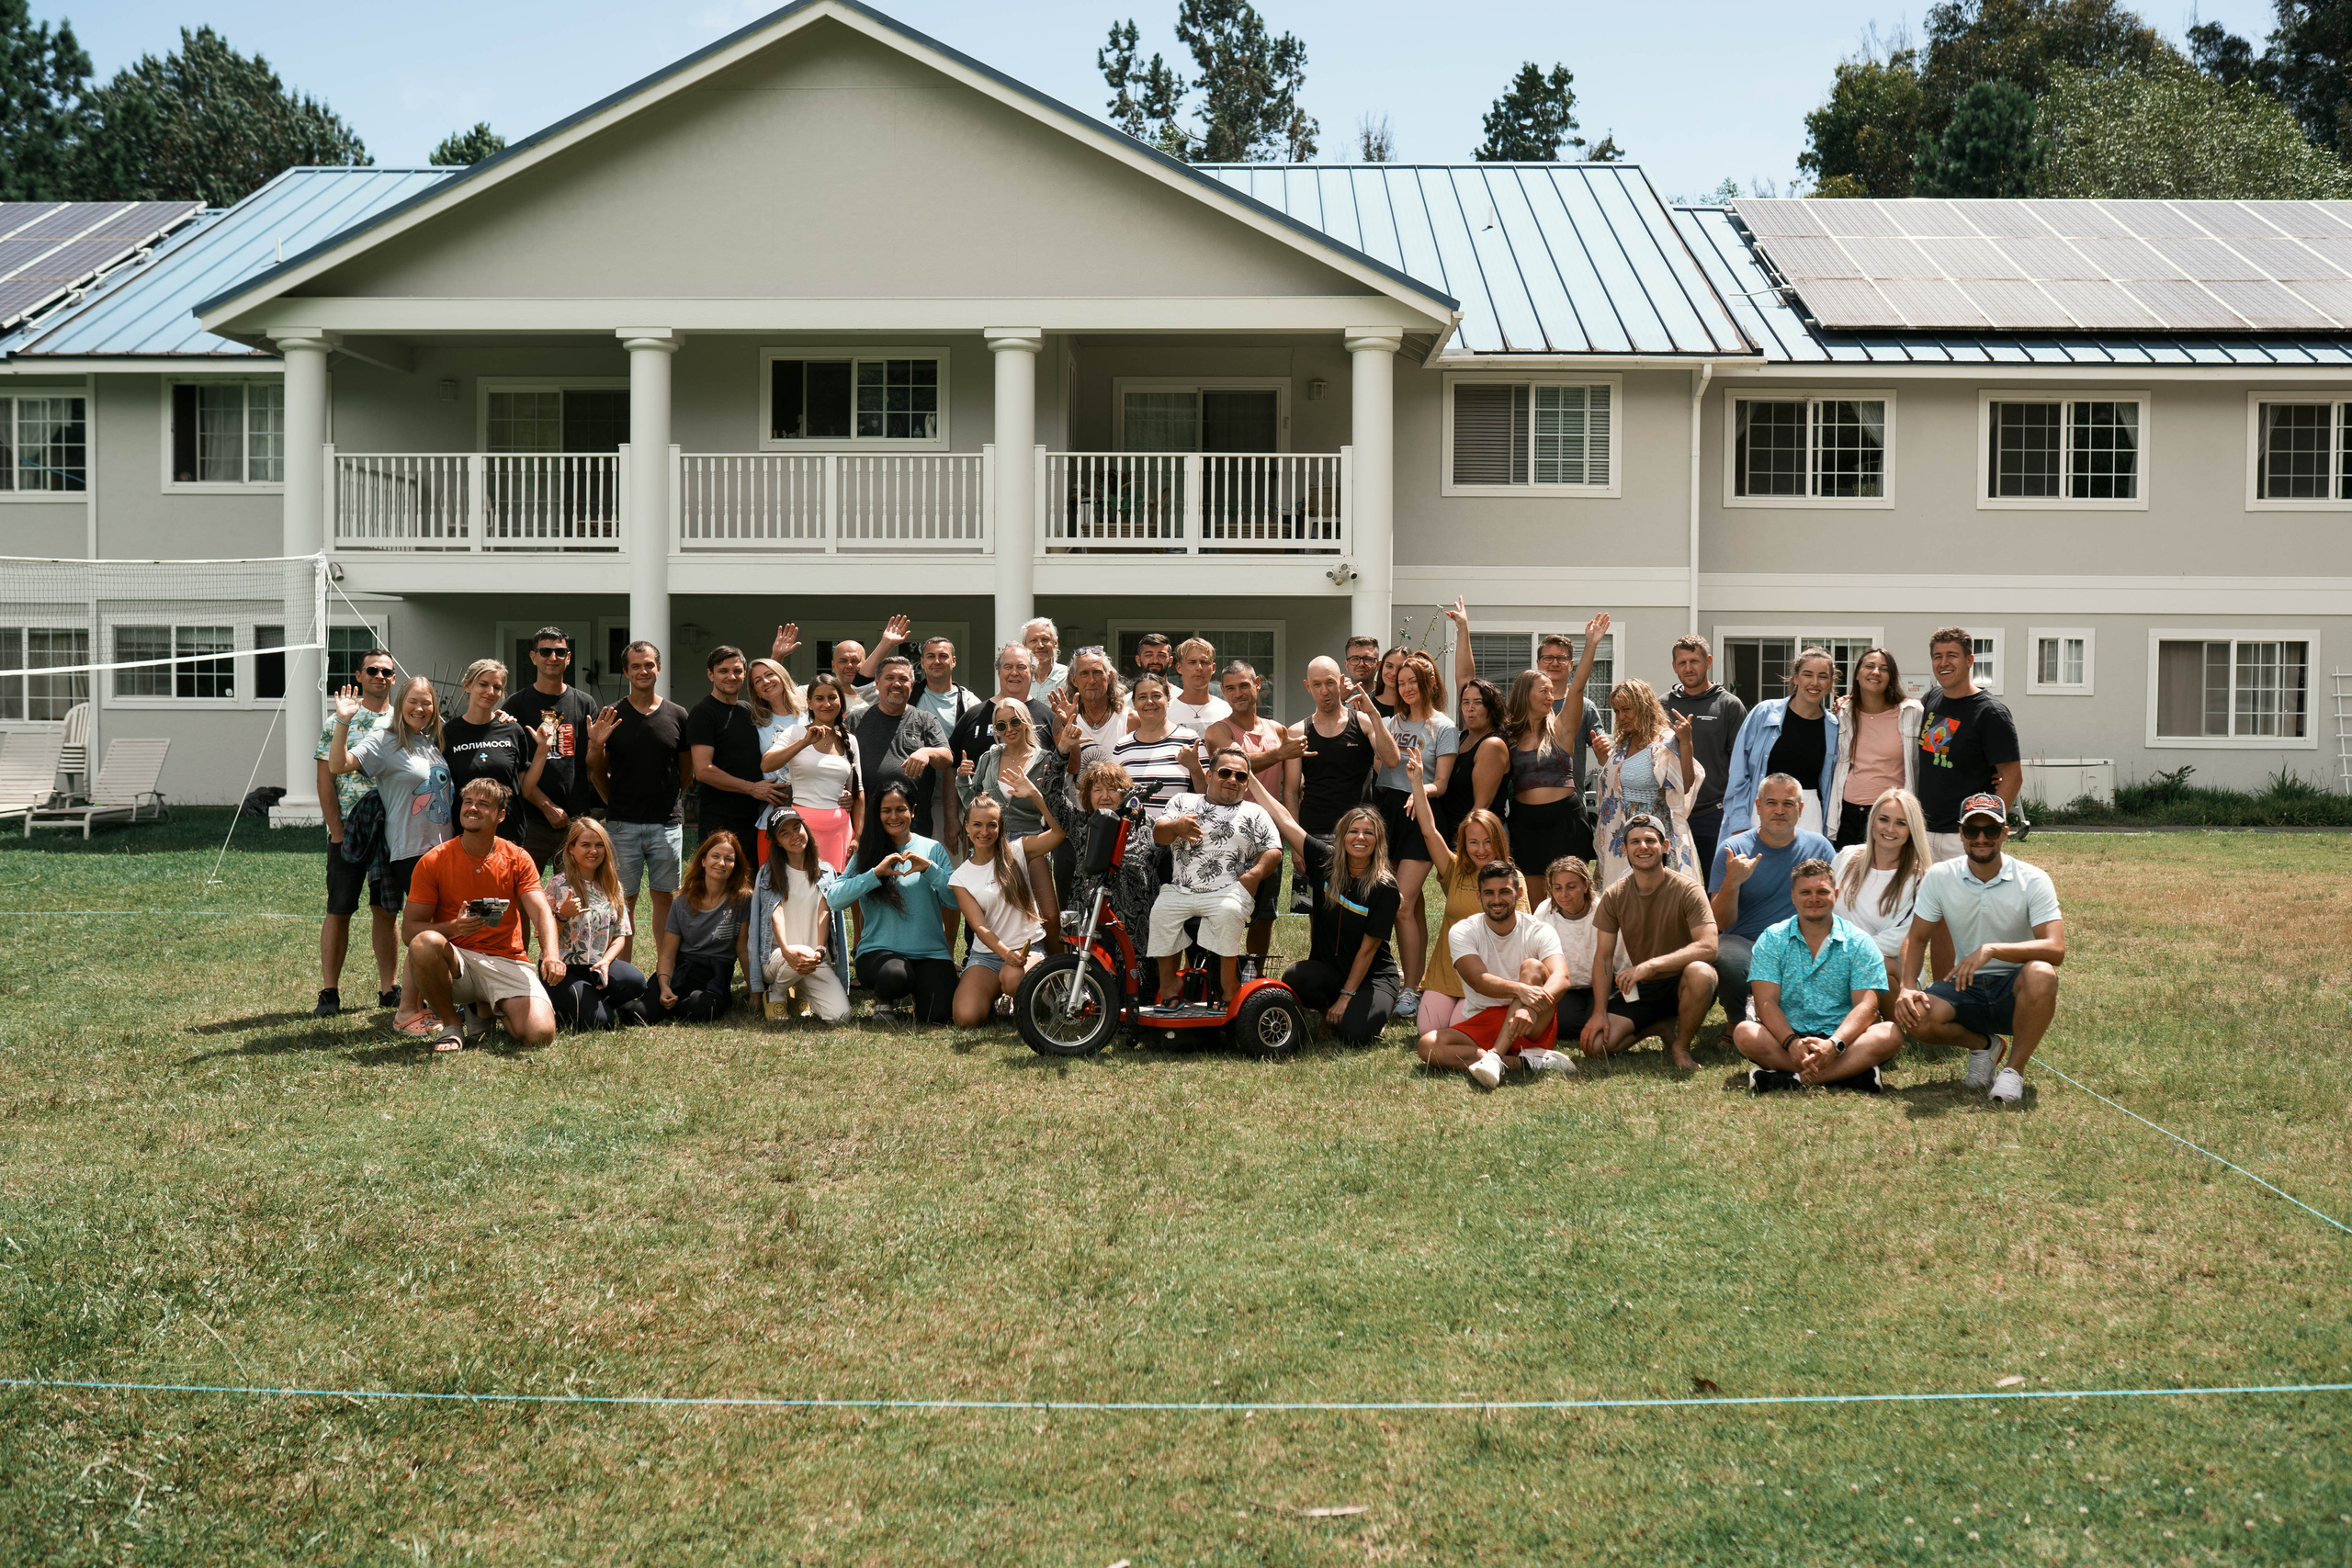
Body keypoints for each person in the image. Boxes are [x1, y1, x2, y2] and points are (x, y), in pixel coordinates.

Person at [1893, 795, 2064, 1105]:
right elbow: (1916, 939)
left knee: (2042, 972)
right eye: (1972, 831)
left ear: (2006, 833)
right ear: (1961, 833)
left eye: (1991, 830)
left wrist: (1993, 949)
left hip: (2015, 988)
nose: (1981, 838)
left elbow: (2056, 948)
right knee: (1916, 1016)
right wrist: (1906, 988)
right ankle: (1984, 1046)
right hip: (1965, 986)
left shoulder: (2034, 879)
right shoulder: (1940, 877)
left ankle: (2013, 1072)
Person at [400, 777, 564, 1053]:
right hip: (457, 962)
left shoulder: (517, 857)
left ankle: (484, 1008)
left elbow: (540, 909)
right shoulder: (434, 860)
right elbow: (409, 932)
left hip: (507, 960)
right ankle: (452, 1023)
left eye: (483, 804)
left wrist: (551, 954)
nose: (472, 808)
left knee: (539, 1034)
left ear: (501, 815)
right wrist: (455, 927)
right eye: (468, 802)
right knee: (424, 943)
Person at [329, 675, 454, 1023]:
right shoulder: (385, 740)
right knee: (423, 932)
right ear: (401, 704)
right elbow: (339, 765)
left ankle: (436, 1002)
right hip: (411, 852)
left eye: (426, 702)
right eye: (413, 701)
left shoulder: (430, 743)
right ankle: (408, 1011)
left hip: (444, 850)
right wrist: (343, 720)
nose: (420, 708)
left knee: (442, 928)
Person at [1244, 778, 1401, 1045]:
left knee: (1356, 1036)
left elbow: (1368, 950)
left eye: (1369, 832)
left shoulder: (1385, 888)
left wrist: (1346, 997)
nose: (1360, 837)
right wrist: (1251, 778)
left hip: (1372, 976)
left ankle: (1364, 1010)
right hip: (1329, 970)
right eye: (1353, 831)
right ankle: (1329, 1010)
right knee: (1295, 978)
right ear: (1342, 836)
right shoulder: (1324, 860)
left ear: (1379, 841)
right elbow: (1285, 821)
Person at [1732, 858, 1904, 1093]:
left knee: (1890, 1033)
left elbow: (1867, 1005)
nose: (1814, 899)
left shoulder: (1859, 942)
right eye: (1806, 892)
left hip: (1843, 1038)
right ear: (1793, 896)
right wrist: (1791, 1043)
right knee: (1745, 1032)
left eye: (1822, 891)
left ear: (1836, 894)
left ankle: (1791, 1079)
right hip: (1787, 1037)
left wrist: (1834, 1045)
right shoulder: (1772, 939)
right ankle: (1850, 1076)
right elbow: (1765, 1002)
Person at [1415, 861, 1577, 1089]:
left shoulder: (1539, 930)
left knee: (1532, 967)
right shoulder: (1463, 931)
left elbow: (1562, 977)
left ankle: (1494, 1056)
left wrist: (1530, 1008)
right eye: (1489, 893)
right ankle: (1524, 1062)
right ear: (1479, 897)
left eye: (1504, 892)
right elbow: (1478, 980)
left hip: (1532, 1023)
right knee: (1428, 1046)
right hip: (1483, 1019)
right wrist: (1520, 989)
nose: (1497, 900)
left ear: (1518, 893)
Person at [1146, 745, 1283, 1010]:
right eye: (1225, 773)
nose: (1233, 780)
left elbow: (1274, 850)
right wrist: (1176, 826)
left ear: (1246, 783)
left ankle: (1228, 986)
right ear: (1209, 776)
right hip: (1181, 889)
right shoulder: (1183, 802)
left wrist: (1254, 875)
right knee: (1161, 913)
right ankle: (1170, 988)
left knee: (1227, 912)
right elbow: (1159, 835)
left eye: (1240, 776)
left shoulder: (1255, 812)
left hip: (1228, 890)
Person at [584, 641, 692, 966]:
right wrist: (595, 745)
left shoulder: (677, 715)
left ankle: (664, 972)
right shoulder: (611, 715)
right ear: (625, 672)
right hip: (622, 824)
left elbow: (686, 770)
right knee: (623, 902)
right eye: (636, 666)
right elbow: (595, 769)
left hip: (666, 824)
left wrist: (673, 798)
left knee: (664, 898)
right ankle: (623, 975)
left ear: (658, 668)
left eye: (649, 665)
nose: (643, 671)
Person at [1398, 751, 1521, 1034]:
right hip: (1446, 974)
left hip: (1484, 976)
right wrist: (1418, 783)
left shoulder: (1513, 880)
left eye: (1488, 842)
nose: (1480, 849)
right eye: (1473, 842)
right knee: (1427, 1030)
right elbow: (1429, 831)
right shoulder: (1455, 870)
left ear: (1499, 841)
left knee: (1459, 1030)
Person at [1583, 815, 1719, 1070]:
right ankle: (1658, 1026)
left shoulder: (1688, 890)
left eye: (1650, 840)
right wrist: (1599, 1012)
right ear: (1624, 849)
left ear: (1665, 846)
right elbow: (1603, 957)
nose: (1642, 847)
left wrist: (1652, 965)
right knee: (1596, 1046)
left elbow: (1709, 946)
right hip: (1643, 988)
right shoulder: (1614, 895)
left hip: (1683, 983)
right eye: (1634, 842)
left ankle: (1681, 1045)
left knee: (1701, 972)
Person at [1487, 611, 1610, 882]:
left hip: (1565, 821)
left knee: (1571, 899)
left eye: (1552, 692)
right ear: (1525, 694)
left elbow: (1577, 688)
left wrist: (1592, 644)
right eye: (1543, 690)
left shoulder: (1562, 729)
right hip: (1525, 823)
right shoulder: (1508, 735)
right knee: (1534, 902)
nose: (1550, 695)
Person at [1708, 773, 1838, 1027]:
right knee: (1728, 960)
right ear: (1758, 807)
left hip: (1802, 941)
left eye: (1788, 804)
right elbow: (1720, 922)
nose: (1779, 811)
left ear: (1800, 809)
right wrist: (1732, 881)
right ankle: (1737, 1020)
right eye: (1771, 803)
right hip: (1745, 941)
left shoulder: (1820, 848)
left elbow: (1836, 903)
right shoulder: (1733, 849)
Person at [1204, 660, 1308, 976]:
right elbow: (1237, 765)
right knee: (1223, 911)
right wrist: (1281, 754)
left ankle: (1253, 974)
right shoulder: (1219, 730)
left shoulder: (1278, 730)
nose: (1238, 693)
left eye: (1244, 685)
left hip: (1268, 837)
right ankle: (1219, 978)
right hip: (1226, 835)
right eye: (1231, 688)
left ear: (1258, 684)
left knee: (1265, 914)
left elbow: (1293, 786)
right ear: (1223, 691)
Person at [827, 779, 959, 1022]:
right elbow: (835, 900)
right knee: (896, 976)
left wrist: (930, 869)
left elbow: (954, 901)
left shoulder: (933, 849)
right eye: (886, 810)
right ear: (877, 814)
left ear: (913, 811)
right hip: (880, 954)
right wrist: (875, 874)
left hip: (931, 954)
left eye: (901, 809)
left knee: (939, 1016)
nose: (893, 816)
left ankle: (919, 992)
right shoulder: (867, 852)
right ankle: (883, 1000)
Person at [314, 647, 401, 1018]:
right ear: (359, 676)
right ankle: (329, 992)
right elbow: (325, 779)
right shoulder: (339, 720)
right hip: (349, 829)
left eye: (386, 672)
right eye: (373, 671)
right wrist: (336, 830)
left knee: (386, 910)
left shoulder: (405, 720)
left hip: (393, 829)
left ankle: (389, 989)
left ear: (394, 679)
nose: (380, 676)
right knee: (340, 909)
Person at [1375, 650, 1455, 1021]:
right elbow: (1381, 766)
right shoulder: (1391, 723)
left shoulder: (1444, 727)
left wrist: (1418, 791)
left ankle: (1409, 990)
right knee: (1413, 907)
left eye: (1413, 682)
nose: (1406, 688)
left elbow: (1441, 783)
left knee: (1401, 905)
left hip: (1419, 813)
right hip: (1386, 813)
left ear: (1430, 684)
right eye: (1401, 681)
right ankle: (1413, 981)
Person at [949, 772, 1066, 1025]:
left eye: (992, 825)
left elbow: (1059, 834)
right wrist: (1004, 954)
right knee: (965, 1017)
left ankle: (1032, 997)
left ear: (1000, 827)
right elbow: (979, 927)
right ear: (966, 827)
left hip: (1027, 949)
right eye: (977, 825)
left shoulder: (1018, 851)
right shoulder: (960, 877)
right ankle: (1000, 995)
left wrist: (1036, 796)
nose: (984, 831)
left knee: (1013, 979)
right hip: (987, 956)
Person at [957, 697, 1069, 936]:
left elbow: (1058, 808)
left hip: (1031, 842)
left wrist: (1034, 793)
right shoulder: (989, 758)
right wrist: (962, 780)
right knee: (992, 915)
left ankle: (1056, 970)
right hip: (992, 841)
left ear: (1027, 722)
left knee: (1047, 916)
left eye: (1015, 722)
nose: (1009, 729)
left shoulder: (1045, 760)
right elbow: (974, 803)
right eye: (1001, 726)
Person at [1917, 626, 2022, 863]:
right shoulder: (1932, 700)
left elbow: (2013, 777)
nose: (1944, 663)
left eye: (1952, 655)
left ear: (1969, 660)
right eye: (1937, 656)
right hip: (1924, 831)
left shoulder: (1990, 713)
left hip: (1964, 835)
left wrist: (1986, 828)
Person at [502, 626, 600, 867]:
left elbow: (592, 766)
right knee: (523, 893)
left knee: (574, 894)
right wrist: (546, 806)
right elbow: (512, 767)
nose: (552, 658)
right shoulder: (515, 706)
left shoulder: (585, 704)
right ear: (534, 657)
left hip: (575, 819)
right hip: (530, 818)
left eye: (559, 652)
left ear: (569, 658)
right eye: (545, 652)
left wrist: (598, 744)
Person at [1592, 678, 1702, 888]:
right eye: (1616, 711)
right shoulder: (1624, 742)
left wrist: (1686, 742)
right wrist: (1602, 759)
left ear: (1643, 707)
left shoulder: (1664, 741)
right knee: (1624, 897)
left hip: (1651, 833)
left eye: (1626, 709)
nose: (1621, 717)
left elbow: (1685, 785)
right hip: (1621, 832)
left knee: (1655, 895)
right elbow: (1620, 782)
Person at [1722, 646, 1841, 840]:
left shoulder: (1834, 726)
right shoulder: (1764, 713)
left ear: (1831, 683)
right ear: (1796, 678)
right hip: (1761, 812)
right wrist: (1739, 822)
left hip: (1809, 816)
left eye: (1823, 676)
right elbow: (1738, 773)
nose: (1815, 682)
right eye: (1807, 675)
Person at [542, 817, 649, 1032]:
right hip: (562, 970)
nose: (593, 851)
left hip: (598, 968)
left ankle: (591, 1000)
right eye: (586, 845)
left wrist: (606, 962)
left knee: (637, 981)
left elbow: (620, 934)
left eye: (599, 845)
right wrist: (562, 915)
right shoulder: (557, 884)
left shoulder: (612, 885)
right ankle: (568, 1003)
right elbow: (543, 936)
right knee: (602, 1022)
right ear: (571, 848)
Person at [1061, 759, 1159, 991]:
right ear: (1087, 796)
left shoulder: (1148, 826)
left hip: (1137, 926)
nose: (1105, 796)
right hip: (1092, 917)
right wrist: (1063, 751)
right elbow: (1052, 797)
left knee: (1138, 995)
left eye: (1112, 789)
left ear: (1125, 793)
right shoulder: (1081, 824)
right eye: (1098, 790)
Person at [849, 656, 956, 863]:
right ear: (877, 683)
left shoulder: (925, 720)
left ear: (912, 685)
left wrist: (927, 752)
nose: (897, 684)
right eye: (890, 678)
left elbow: (947, 758)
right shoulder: (856, 721)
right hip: (868, 829)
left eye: (903, 679)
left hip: (914, 830)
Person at [749, 809, 849, 1023]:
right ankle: (776, 991)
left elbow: (825, 912)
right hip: (778, 958)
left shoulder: (826, 871)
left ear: (805, 829)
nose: (794, 835)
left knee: (841, 1017)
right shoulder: (769, 873)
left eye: (797, 827)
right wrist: (786, 950)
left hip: (814, 959)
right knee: (800, 951)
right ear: (776, 842)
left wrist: (821, 950)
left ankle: (799, 992)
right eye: (784, 833)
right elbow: (776, 914)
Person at [1660, 634, 1747, 879]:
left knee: (1716, 884)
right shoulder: (1662, 706)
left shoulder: (1729, 705)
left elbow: (1741, 765)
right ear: (1674, 666)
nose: (1688, 668)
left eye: (1694, 661)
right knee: (1671, 887)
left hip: (1714, 814)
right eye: (1682, 662)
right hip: (1671, 812)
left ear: (1708, 661)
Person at [685, 645, 784, 860]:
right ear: (710, 675)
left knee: (750, 884)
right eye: (723, 671)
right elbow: (703, 770)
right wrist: (752, 789)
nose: (731, 676)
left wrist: (777, 657)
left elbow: (771, 692)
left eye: (737, 671)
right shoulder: (703, 713)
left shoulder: (747, 710)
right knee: (721, 881)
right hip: (720, 817)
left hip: (753, 815)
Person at [441, 658, 549, 849]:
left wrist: (542, 751)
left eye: (497, 687)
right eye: (483, 684)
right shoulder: (449, 733)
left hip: (508, 833)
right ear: (468, 686)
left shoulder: (511, 730)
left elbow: (523, 789)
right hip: (466, 834)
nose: (490, 692)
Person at [761, 672, 862, 872]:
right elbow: (766, 765)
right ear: (809, 703)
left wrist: (859, 836)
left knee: (835, 896)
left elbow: (859, 791)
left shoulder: (850, 740)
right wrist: (805, 742)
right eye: (819, 698)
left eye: (832, 697)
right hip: (802, 829)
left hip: (840, 829)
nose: (827, 704)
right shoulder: (796, 733)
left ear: (841, 701)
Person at [1833, 786, 1930, 992]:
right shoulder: (1846, 857)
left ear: (1912, 829)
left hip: (1892, 970)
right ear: (1873, 820)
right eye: (1884, 819)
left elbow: (1900, 941)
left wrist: (1843, 955)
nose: (1890, 829)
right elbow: (1824, 910)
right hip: (1835, 960)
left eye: (1901, 823)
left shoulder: (1920, 879)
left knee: (1878, 966)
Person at [650, 830, 754, 1022]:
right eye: (715, 856)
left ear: (735, 866)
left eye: (729, 859)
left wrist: (754, 992)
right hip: (682, 969)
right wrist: (664, 986)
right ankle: (667, 1002)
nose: (721, 863)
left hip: (714, 974)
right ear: (703, 861)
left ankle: (677, 1007)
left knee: (701, 1007)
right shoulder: (682, 902)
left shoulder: (742, 900)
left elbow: (743, 950)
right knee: (637, 1012)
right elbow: (667, 954)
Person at [949, 642, 1057, 825]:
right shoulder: (974, 716)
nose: (1014, 672)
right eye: (1008, 667)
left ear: (1032, 673)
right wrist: (952, 821)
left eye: (1022, 667)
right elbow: (952, 770)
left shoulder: (1048, 718)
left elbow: (1064, 774)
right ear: (999, 672)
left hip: (1034, 836)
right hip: (984, 832)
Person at [1828, 647, 1923, 849]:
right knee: (1847, 876)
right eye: (1869, 666)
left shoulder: (1911, 712)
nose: (1876, 672)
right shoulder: (1843, 713)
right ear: (1858, 674)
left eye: (1884, 669)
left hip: (1891, 814)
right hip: (1847, 812)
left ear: (1892, 676)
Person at [1532, 856, 1615, 1051]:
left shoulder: (1603, 909)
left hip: (1601, 984)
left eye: (1571, 886)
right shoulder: (1544, 912)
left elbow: (1614, 957)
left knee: (1603, 1023)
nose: (1564, 894)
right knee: (1565, 1025)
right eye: (1557, 887)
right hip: (1566, 988)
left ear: (1585, 886)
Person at [912, 634, 983, 841]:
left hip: (959, 802)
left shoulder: (970, 703)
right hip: (917, 801)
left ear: (953, 661)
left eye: (943, 656)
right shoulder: (909, 698)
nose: (937, 661)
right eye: (931, 656)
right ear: (923, 663)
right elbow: (864, 686)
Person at [1433, 674, 1510, 847]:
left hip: (1480, 838)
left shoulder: (1492, 745)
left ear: (1492, 708)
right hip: (1458, 835)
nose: (1470, 708)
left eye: (1478, 702)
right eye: (1465, 702)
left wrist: (1462, 839)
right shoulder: (1464, 738)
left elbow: (1482, 805)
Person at [1112, 671, 1206, 808]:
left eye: (1156, 696)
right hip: (1132, 829)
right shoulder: (1122, 746)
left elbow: (1208, 794)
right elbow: (1115, 794)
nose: (1150, 702)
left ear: (1168, 699)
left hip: (1178, 828)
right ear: (1134, 703)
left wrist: (1195, 768)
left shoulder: (1190, 740)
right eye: (1142, 697)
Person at [744, 656, 806, 863]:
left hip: (810, 807)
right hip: (775, 811)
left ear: (782, 675)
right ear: (756, 691)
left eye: (770, 675)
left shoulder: (809, 713)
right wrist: (755, 787)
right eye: (758, 681)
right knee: (771, 883)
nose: (766, 682)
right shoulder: (755, 722)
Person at [1048, 645, 1129, 778]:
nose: (1091, 681)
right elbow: (1073, 768)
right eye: (1084, 674)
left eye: (1097, 672)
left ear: (1109, 677)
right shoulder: (1061, 722)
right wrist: (1070, 725)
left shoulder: (1130, 719)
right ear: (1074, 680)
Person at [1165, 637, 1232, 736]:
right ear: (1179, 668)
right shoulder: (1165, 712)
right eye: (1192, 662)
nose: (1199, 668)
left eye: (1204, 662)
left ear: (1213, 668)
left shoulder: (1227, 711)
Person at [1023, 616, 1069, 699]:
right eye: (1033, 640)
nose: (1040, 646)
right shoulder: (1019, 679)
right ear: (1024, 645)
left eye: (1045, 639)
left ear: (1055, 643)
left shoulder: (1068, 677)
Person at [1342, 636, 1386, 715]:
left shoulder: (1388, 695)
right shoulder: (1336, 698)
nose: (1361, 664)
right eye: (1355, 659)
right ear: (1346, 665)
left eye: (1368, 659)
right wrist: (1339, 701)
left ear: (1378, 665)